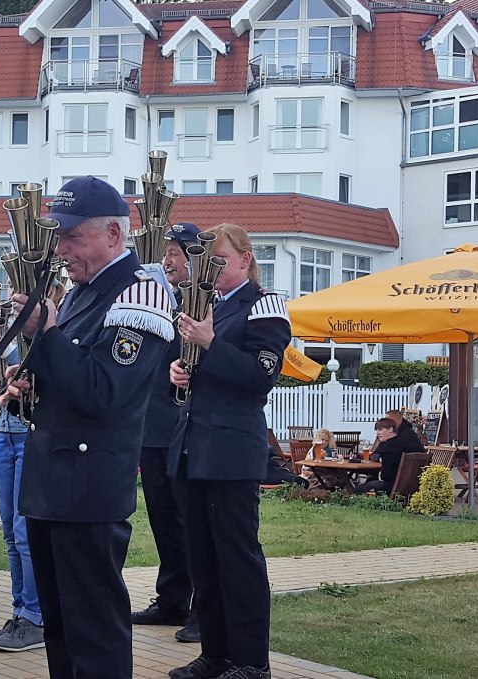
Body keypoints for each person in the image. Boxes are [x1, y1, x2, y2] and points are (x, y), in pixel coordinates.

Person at [2, 176, 175, 679]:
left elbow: (104, 393)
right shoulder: (82, 293)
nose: (61, 248)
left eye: (72, 237)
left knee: (94, 635)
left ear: (114, 236)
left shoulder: (140, 296)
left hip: (88, 490)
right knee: (60, 631)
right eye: (60, 237)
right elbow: (68, 382)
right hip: (54, 485)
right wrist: (27, 386)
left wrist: (47, 336)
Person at [165, 223, 290, 679]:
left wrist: (210, 343)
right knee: (204, 559)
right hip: (193, 447)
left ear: (245, 259)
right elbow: (204, 374)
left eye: (219, 258)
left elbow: (259, 377)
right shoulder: (205, 306)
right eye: (206, 260)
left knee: (237, 559)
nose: (211, 267)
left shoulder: (264, 306)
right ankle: (215, 653)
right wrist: (181, 372)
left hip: (231, 448)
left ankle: (252, 662)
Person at [131, 222, 199, 643]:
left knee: (190, 521)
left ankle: (199, 610)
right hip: (152, 427)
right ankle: (172, 599)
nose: (168, 260)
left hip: (184, 429)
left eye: (177, 253)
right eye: (167, 252)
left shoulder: (200, 306)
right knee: (163, 521)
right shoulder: (157, 300)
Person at [0, 342, 42, 653]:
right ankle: (19, 612)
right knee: (9, 531)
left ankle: (35, 617)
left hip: (29, 431)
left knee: (24, 532)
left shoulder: (39, 328)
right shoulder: (8, 330)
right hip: (4, 430)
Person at [353, 418, 423, 496]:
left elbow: (386, 476)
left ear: (390, 429)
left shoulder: (389, 447)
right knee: (371, 480)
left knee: (358, 489)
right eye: (377, 430)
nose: (377, 433)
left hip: (391, 486)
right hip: (409, 485)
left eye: (380, 429)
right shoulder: (401, 443)